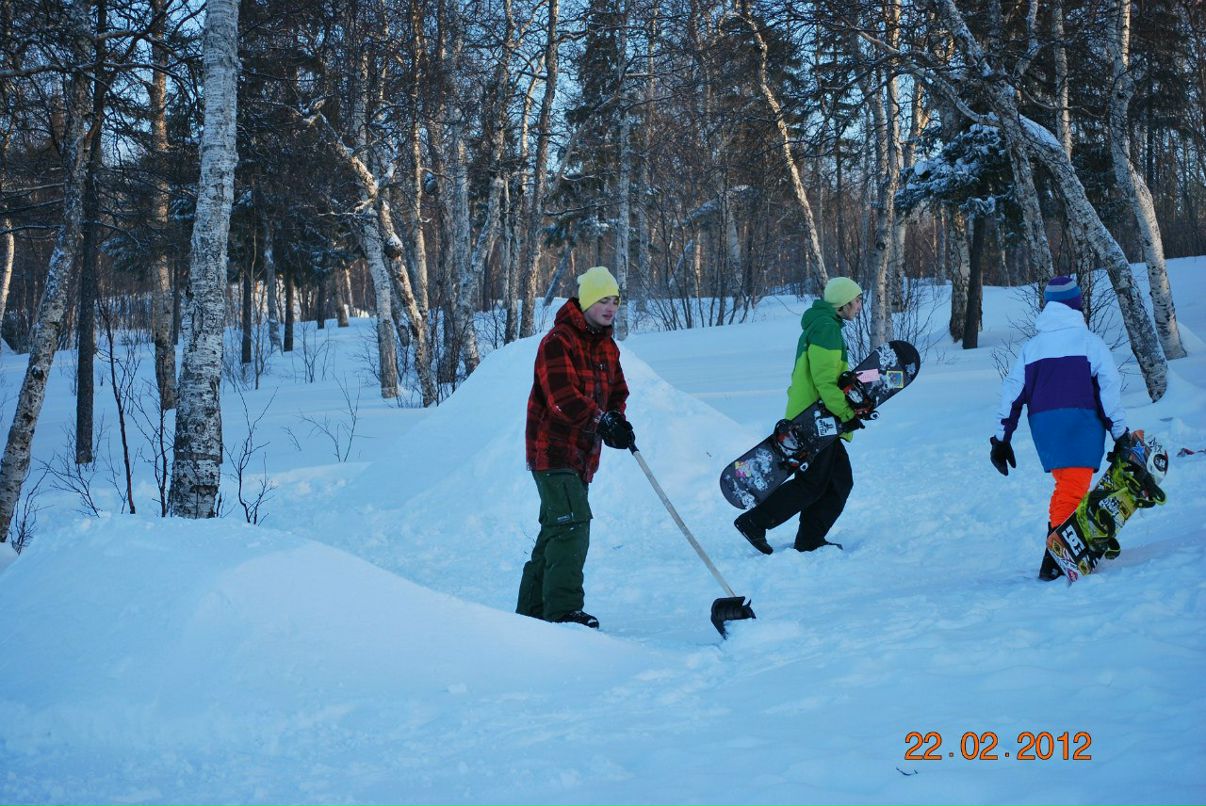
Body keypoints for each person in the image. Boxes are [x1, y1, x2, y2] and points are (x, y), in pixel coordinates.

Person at [516, 266, 635, 629]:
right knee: (573, 524)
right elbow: (562, 398)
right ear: (585, 302)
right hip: (552, 452)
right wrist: (601, 421)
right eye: (603, 299)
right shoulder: (558, 341)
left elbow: (617, 392)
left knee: (555, 529)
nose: (610, 306)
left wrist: (616, 419)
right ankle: (563, 611)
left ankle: (530, 614)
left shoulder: (607, 346)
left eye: (615, 300)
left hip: (582, 456)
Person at [990, 275, 1130, 580]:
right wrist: (1120, 433)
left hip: (1046, 429)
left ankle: (1074, 539)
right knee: (1072, 488)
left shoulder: (1032, 347)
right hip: (1081, 423)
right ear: (1075, 304)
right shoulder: (1090, 343)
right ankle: (1056, 555)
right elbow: (1108, 390)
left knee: (1067, 484)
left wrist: (1002, 439)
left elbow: (1012, 392)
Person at [734, 276, 866, 555]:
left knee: (839, 481)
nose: (859, 305)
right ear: (843, 303)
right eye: (857, 300)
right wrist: (844, 412)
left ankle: (810, 538)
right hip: (816, 418)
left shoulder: (825, 326)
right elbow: (825, 380)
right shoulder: (826, 329)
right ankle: (754, 522)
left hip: (821, 417)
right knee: (812, 483)